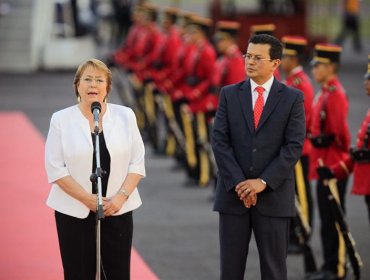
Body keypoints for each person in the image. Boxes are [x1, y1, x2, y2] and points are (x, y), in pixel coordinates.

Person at [211, 34, 306, 280]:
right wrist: (240, 184)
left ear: (275, 63)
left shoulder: (292, 98)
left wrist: (262, 182)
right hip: (234, 196)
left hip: (273, 197)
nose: (250, 62)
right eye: (248, 56)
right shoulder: (229, 94)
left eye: (257, 58)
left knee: (274, 271)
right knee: (230, 271)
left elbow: (293, 146)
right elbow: (219, 141)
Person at [44, 58, 145, 280]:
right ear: (77, 86)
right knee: (78, 272)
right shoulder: (61, 119)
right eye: (87, 79)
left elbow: (137, 163)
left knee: (117, 273)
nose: (93, 85)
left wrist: (121, 197)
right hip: (74, 210)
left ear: (107, 87)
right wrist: (88, 199)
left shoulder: (125, 116)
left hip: (117, 209)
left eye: (99, 80)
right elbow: (55, 169)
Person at [307, 44, 351, 280]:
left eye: (319, 66)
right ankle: (328, 266)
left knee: (334, 219)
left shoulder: (335, 94)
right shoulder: (324, 92)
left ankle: (338, 268)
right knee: (325, 219)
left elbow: (342, 135)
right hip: (322, 162)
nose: (314, 70)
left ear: (331, 67)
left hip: (332, 164)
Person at [317, 54, 370, 228]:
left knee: (333, 224)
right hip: (335, 162)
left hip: (335, 155)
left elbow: (341, 135)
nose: (365, 82)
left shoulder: (335, 93)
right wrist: (336, 171)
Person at [281, 35, 314, 253]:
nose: (281, 61)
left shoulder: (300, 83)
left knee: (301, 195)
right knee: (293, 193)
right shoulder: (294, 82)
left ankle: (302, 235)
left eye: (283, 56)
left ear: (293, 58)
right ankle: (295, 233)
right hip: (292, 147)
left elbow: (304, 118)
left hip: (299, 148)